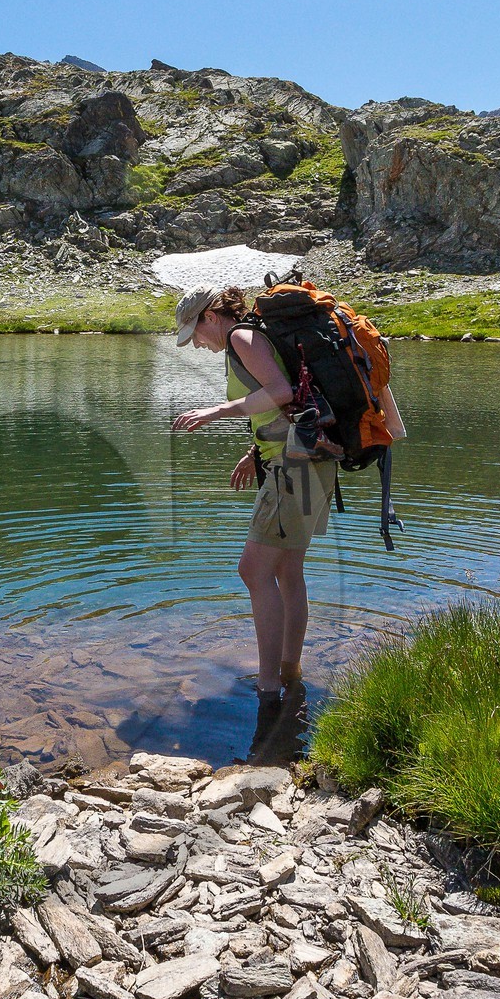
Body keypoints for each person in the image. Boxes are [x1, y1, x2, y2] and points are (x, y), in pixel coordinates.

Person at [170, 284, 402, 702]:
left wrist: (216, 411)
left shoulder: (241, 337)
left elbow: (280, 392)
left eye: (196, 334)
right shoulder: (253, 336)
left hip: (294, 468)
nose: (198, 345)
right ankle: (290, 670)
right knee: (286, 571)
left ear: (209, 317)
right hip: (313, 461)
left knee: (253, 571)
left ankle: (268, 684)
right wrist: (253, 452)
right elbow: (295, 400)